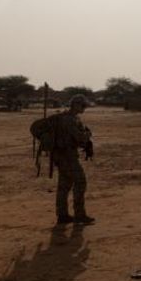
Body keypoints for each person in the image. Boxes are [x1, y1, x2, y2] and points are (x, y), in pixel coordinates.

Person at [53, 94, 95, 225]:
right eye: (83, 106)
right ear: (75, 105)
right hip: (68, 156)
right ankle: (79, 215)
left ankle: (62, 215)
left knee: (64, 186)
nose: (84, 108)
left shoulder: (65, 118)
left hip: (61, 155)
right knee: (80, 182)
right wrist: (88, 134)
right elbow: (79, 138)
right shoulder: (69, 120)